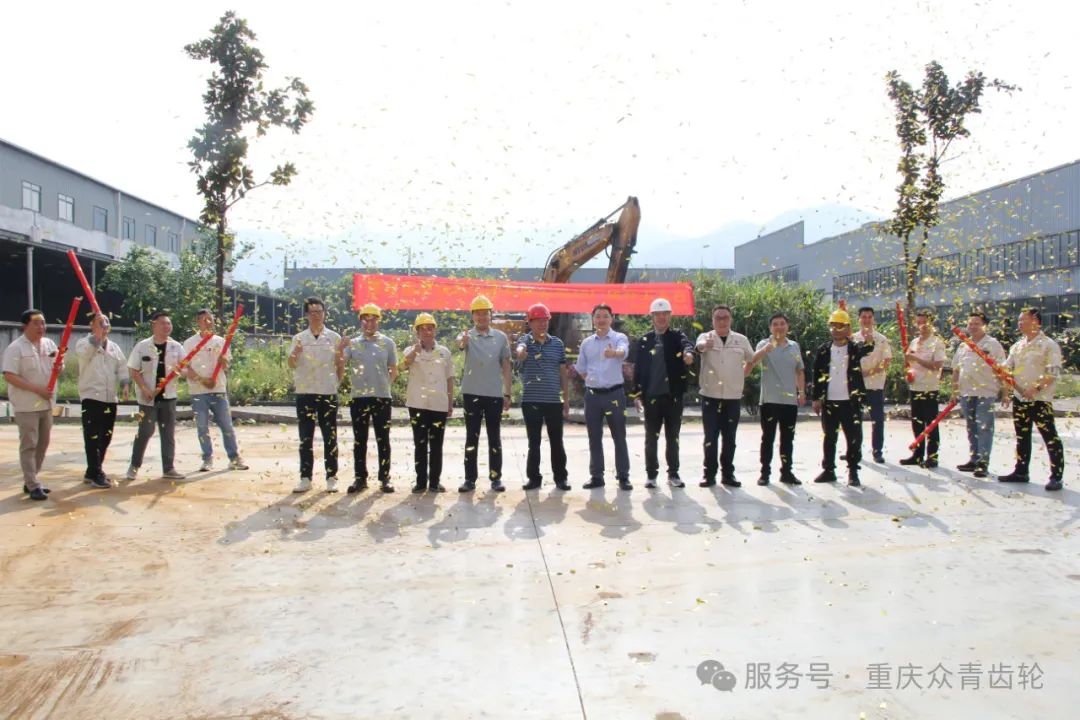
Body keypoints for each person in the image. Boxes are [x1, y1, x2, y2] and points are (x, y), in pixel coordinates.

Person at [999, 308, 1066, 491]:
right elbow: (1008, 368)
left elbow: (1053, 372)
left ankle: (1056, 476)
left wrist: (1035, 388)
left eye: (1023, 320)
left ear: (1035, 321)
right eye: (1019, 320)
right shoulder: (1017, 346)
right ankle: (1021, 472)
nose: (1020, 323)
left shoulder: (1048, 345)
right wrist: (1001, 374)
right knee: (1022, 436)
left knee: (1049, 437)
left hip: (1040, 399)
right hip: (1020, 398)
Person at [631, 297, 694, 489]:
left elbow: (687, 345)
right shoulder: (645, 340)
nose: (661, 318)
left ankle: (673, 474)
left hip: (673, 396)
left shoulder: (677, 336)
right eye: (657, 314)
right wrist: (636, 395)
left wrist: (688, 354)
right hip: (651, 397)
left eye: (664, 314)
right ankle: (651, 475)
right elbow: (638, 369)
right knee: (651, 438)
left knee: (673, 437)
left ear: (670, 316)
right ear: (652, 316)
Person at [810, 307, 874, 487]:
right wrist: (816, 398)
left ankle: (853, 471)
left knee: (853, 438)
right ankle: (828, 470)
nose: (836, 329)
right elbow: (816, 374)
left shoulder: (854, 348)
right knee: (829, 437)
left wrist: (869, 337)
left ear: (847, 328)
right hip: (829, 401)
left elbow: (868, 348)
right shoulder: (824, 350)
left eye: (840, 326)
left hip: (850, 402)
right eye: (833, 326)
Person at [337, 302, 396, 494]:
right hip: (359, 397)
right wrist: (340, 348)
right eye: (365, 320)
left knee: (383, 439)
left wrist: (385, 384)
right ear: (360, 322)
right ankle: (360, 478)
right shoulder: (353, 343)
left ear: (379, 321)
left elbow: (393, 369)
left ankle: (385, 478)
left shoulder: (388, 343)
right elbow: (341, 363)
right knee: (359, 439)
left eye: (373, 320)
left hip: (381, 397)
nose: (369, 323)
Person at [695, 305, 754, 488]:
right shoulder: (706, 337)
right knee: (710, 438)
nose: (722, 321)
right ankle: (709, 475)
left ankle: (728, 474)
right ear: (712, 320)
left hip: (732, 397)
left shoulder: (741, 340)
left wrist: (741, 375)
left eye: (725, 317)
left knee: (730, 438)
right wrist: (705, 346)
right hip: (710, 396)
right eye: (718, 318)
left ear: (731, 319)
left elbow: (751, 359)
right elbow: (699, 347)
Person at [2, 309, 58, 500]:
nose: (41, 327)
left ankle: (31, 480)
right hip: (26, 405)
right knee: (29, 444)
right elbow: (9, 375)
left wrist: (59, 367)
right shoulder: (15, 348)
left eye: (43, 323)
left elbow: (56, 366)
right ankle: (33, 484)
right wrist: (36, 389)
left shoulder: (50, 344)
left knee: (43, 444)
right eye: (36, 323)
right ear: (25, 326)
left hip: (46, 403)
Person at [575, 303, 632, 490]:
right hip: (593, 396)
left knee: (619, 436)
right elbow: (581, 368)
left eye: (605, 316)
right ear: (593, 319)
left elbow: (623, 352)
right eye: (598, 316)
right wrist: (591, 381)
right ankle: (596, 476)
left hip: (614, 394)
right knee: (594, 437)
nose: (601, 319)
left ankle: (623, 476)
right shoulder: (586, 343)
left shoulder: (619, 338)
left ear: (611, 319)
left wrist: (613, 353)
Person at [183, 309, 248, 473]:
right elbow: (186, 368)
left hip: (218, 389)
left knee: (227, 426)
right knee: (202, 427)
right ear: (198, 322)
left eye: (210, 319)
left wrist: (223, 361)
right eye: (204, 319)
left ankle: (234, 458)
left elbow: (226, 366)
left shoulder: (220, 341)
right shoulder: (189, 343)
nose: (208, 322)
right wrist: (203, 381)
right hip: (198, 391)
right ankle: (207, 459)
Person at [458, 295, 512, 493]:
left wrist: (507, 393)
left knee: (494, 437)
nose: (481, 317)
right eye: (478, 314)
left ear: (491, 315)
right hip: (471, 394)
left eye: (485, 313)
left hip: (493, 395)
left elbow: (506, 365)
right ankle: (469, 479)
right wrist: (463, 341)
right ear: (473, 316)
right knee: (471, 438)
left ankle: (496, 478)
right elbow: (460, 344)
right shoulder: (467, 335)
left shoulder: (500, 337)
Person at [744, 312, 805, 486]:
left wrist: (801, 392)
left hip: (790, 401)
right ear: (770, 328)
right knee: (768, 438)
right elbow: (751, 362)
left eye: (782, 323)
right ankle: (765, 473)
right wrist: (764, 351)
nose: (779, 327)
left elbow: (799, 371)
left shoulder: (794, 346)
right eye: (775, 324)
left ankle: (787, 472)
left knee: (788, 439)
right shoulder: (764, 344)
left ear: (787, 326)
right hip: (769, 400)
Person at [288, 297, 342, 493]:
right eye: (312, 312)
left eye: (319, 311)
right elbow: (291, 363)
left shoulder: (334, 337)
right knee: (305, 437)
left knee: (330, 437)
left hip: (328, 393)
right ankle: (305, 478)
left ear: (324, 313)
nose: (316, 315)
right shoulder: (299, 338)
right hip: (305, 393)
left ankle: (331, 476)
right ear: (306, 315)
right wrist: (296, 353)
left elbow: (340, 364)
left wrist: (336, 384)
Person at [515, 303, 570, 491]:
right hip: (531, 401)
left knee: (557, 441)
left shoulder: (557, 344)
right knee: (534, 442)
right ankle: (534, 478)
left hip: (554, 401)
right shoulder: (525, 341)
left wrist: (566, 399)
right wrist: (521, 354)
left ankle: (561, 478)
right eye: (537, 320)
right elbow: (520, 352)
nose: (542, 324)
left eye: (545, 320)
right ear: (530, 323)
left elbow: (563, 373)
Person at [126, 311, 186, 481]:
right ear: (154, 325)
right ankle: (134, 465)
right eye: (163, 323)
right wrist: (144, 388)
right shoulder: (142, 346)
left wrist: (184, 371)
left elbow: (185, 369)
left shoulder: (177, 347)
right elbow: (133, 369)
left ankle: (169, 468)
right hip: (147, 398)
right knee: (145, 431)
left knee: (168, 433)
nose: (167, 326)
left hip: (169, 397)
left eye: (169, 323)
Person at [75, 312, 128, 489]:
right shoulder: (83, 343)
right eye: (100, 322)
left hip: (110, 398)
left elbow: (121, 367)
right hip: (91, 397)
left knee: (105, 437)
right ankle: (97, 473)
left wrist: (124, 384)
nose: (105, 325)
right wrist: (97, 337)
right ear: (92, 325)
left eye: (106, 322)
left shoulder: (114, 347)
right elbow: (86, 354)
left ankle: (92, 471)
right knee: (92, 436)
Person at [401, 313, 453, 493]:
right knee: (420, 443)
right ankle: (420, 481)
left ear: (435, 330)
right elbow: (402, 366)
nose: (426, 332)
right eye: (422, 329)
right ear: (417, 332)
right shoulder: (410, 350)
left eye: (430, 328)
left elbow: (450, 378)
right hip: (417, 404)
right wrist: (415, 352)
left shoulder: (444, 352)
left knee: (437, 445)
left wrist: (450, 402)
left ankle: (435, 482)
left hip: (439, 404)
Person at [951, 311, 1007, 478]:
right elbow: (956, 369)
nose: (973, 326)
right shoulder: (963, 345)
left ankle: (983, 462)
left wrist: (1006, 393)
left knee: (984, 427)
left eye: (977, 323)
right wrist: (954, 390)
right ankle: (974, 458)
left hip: (986, 392)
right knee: (971, 427)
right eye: (970, 323)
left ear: (984, 326)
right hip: (966, 392)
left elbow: (1003, 369)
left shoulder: (993, 344)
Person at [899, 309, 947, 469]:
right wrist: (908, 372)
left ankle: (932, 456)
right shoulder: (914, 342)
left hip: (929, 388)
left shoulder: (937, 343)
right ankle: (918, 455)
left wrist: (915, 358)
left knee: (930, 424)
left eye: (925, 322)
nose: (922, 325)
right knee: (917, 422)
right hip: (915, 387)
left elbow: (937, 366)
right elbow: (909, 364)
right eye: (919, 322)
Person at [855, 307, 893, 464]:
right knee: (854, 419)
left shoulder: (881, 339)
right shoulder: (853, 338)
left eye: (869, 317)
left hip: (875, 384)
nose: (866, 320)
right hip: (857, 385)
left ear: (873, 319)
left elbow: (886, 361)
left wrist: (869, 372)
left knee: (877, 419)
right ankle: (855, 450)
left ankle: (877, 451)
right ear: (859, 319)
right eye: (863, 317)